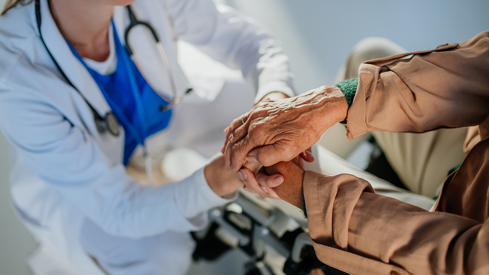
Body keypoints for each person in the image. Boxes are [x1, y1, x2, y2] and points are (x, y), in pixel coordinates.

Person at [0, 0, 292, 274]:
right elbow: (118, 208)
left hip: (158, 129)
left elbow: (250, 43)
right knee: (160, 255)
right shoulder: (14, 73)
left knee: (257, 102)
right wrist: (221, 177)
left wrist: (273, 105)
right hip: (80, 190)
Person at [223, 31, 489, 274]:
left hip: (452, 242)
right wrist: (336, 101)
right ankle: (287, 161)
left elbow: (459, 262)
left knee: (266, 160)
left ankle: (261, 189)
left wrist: (310, 196)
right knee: (368, 55)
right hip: (471, 170)